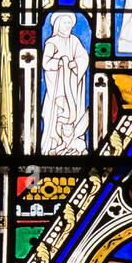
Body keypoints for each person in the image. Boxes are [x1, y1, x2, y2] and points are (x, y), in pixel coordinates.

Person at [41, 13, 89, 156]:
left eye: (70, 23)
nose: (68, 26)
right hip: (57, 88)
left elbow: (83, 57)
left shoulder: (74, 40)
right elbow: (46, 63)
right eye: (65, 23)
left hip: (73, 88)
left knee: (74, 114)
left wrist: (74, 64)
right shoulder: (52, 42)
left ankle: (72, 144)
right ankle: (54, 143)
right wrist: (61, 63)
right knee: (56, 115)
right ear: (57, 24)